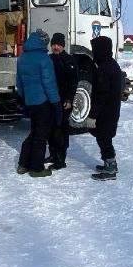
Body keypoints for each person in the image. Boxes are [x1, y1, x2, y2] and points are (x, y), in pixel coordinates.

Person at [15, 30, 59, 177]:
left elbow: (19, 83)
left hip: (30, 102)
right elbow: (49, 84)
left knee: (33, 132)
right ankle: (36, 168)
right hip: (43, 102)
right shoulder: (44, 59)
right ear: (43, 42)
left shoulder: (22, 58)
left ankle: (23, 164)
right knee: (41, 136)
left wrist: (25, 98)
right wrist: (55, 103)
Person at [86, 35, 126, 181]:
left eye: (95, 49)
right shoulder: (111, 64)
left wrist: (93, 115)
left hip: (106, 111)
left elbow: (101, 95)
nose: (93, 52)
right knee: (104, 137)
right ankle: (108, 163)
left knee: (104, 138)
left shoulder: (105, 68)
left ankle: (110, 167)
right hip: (111, 110)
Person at [47, 32, 78, 169]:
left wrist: (69, 99)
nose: (56, 47)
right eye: (54, 44)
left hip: (64, 101)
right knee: (51, 128)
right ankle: (53, 154)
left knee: (61, 129)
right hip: (51, 100)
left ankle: (61, 159)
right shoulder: (48, 59)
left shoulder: (69, 60)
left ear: (63, 46)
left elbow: (73, 82)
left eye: (58, 45)